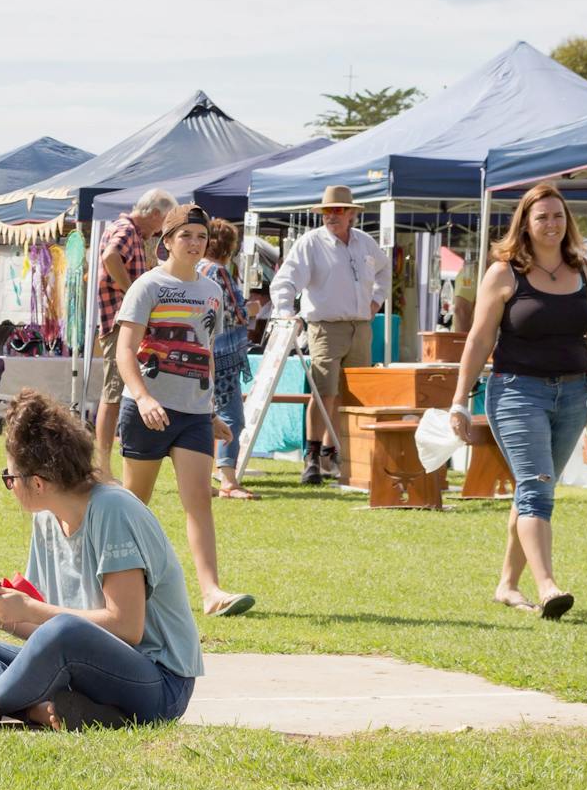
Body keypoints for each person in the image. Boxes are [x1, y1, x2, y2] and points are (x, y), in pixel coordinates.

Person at [0, 389, 203, 730]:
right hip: (80, 671)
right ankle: (47, 708)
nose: (10, 487)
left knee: (65, 630)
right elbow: (46, 635)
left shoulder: (112, 510)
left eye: (10, 478)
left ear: (36, 482)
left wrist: (30, 608)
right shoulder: (47, 517)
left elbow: (126, 627)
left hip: (159, 683)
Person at [450, 183, 587, 621]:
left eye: (558, 216)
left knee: (532, 489)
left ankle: (507, 585)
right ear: (524, 223)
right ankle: (547, 586)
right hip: (517, 393)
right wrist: (460, 400)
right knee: (538, 490)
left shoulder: (583, 270)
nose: (551, 224)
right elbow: (479, 339)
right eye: (541, 217)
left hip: (575, 394)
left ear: (568, 222)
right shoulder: (504, 273)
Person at [116, 204, 254, 617]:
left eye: (201, 237)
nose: (195, 244)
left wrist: (209, 411)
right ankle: (120, 586)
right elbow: (125, 352)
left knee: (200, 501)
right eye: (186, 236)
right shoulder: (147, 286)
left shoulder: (212, 292)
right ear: (168, 241)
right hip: (146, 411)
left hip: (193, 415)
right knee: (134, 507)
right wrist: (142, 397)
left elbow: (204, 354)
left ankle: (212, 592)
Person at [269, 185, 391, 485]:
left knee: (353, 394)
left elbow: (385, 271)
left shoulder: (364, 242)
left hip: (361, 327)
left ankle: (340, 455)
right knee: (324, 391)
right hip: (325, 327)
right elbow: (285, 280)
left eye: (337, 210)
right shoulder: (311, 242)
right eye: (327, 210)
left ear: (351, 214)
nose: (331, 216)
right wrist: (285, 311)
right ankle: (312, 457)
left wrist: (376, 301)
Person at [95, 189, 176, 481]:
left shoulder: (129, 231)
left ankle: (105, 466)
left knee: (117, 392)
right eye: (164, 220)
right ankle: (102, 468)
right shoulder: (126, 229)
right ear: (155, 212)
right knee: (114, 393)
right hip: (120, 324)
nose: (163, 228)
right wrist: (133, 293)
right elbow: (110, 256)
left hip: (121, 322)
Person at [198, 219, 256, 499]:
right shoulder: (219, 271)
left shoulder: (196, 268)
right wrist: (253, 307)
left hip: (201, 350)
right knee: (231, 416)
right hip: (223, 353)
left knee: (205, 417)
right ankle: (229, 480)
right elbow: (234, 313)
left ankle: (205, 477)